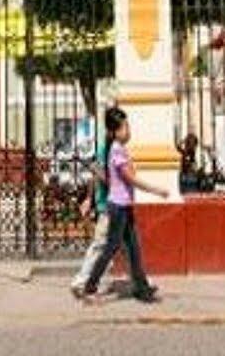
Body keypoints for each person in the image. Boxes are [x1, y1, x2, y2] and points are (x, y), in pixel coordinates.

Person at [80, 106, 168, 303]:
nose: (128, 131)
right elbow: (131, 180)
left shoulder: (119, 149)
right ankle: (90, 285)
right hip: (118, 208)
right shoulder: (117, 152)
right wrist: (157, 190)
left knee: (134, 248)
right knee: (110, 248)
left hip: (123, 206)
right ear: (114, 131)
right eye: (124, 127)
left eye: (128, 126)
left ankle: (142, 289)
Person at [69, 112, 111, 299]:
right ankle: (80, 281)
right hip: (108, 204)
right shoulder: (106, 148)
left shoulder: (116, 148)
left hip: (117, 204)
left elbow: (96, 170)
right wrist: (90, 199)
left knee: (129, 245)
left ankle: (142, 280)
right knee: (100, 244)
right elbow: (97, 172)